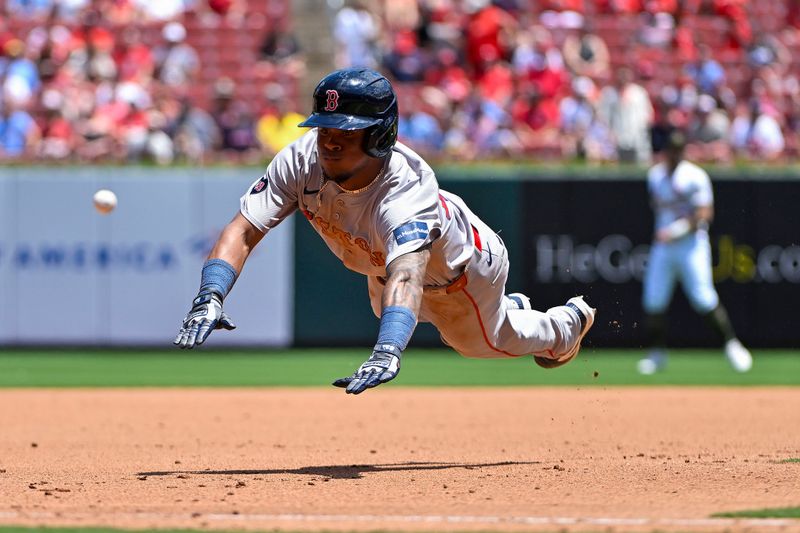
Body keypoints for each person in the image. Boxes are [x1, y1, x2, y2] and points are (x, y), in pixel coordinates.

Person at [173, 67, 596, 394]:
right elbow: (244, 230)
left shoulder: (406, 189)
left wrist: (388, 350)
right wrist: (209, 294)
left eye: (346, 131)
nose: (330, 141)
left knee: (481, 343)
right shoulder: (300, 161)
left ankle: (565, 326)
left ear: (380, 135)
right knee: (390, 305)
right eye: (324, 127)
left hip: (459, 273)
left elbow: (410, 274)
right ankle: (509, 307)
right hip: (384, 270)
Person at [638, 129, 752, 375]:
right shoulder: (655, 176)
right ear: (666, 151)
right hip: (664, 247)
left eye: (679, 150)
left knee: (703, 297)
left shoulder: (694, 176)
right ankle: (657, 353)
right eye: (672, 150)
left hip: (691, 245)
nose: (675, 154)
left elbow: (704, 213)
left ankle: (732, 345)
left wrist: (676, 230)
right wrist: (667, 233)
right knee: (653, 300)